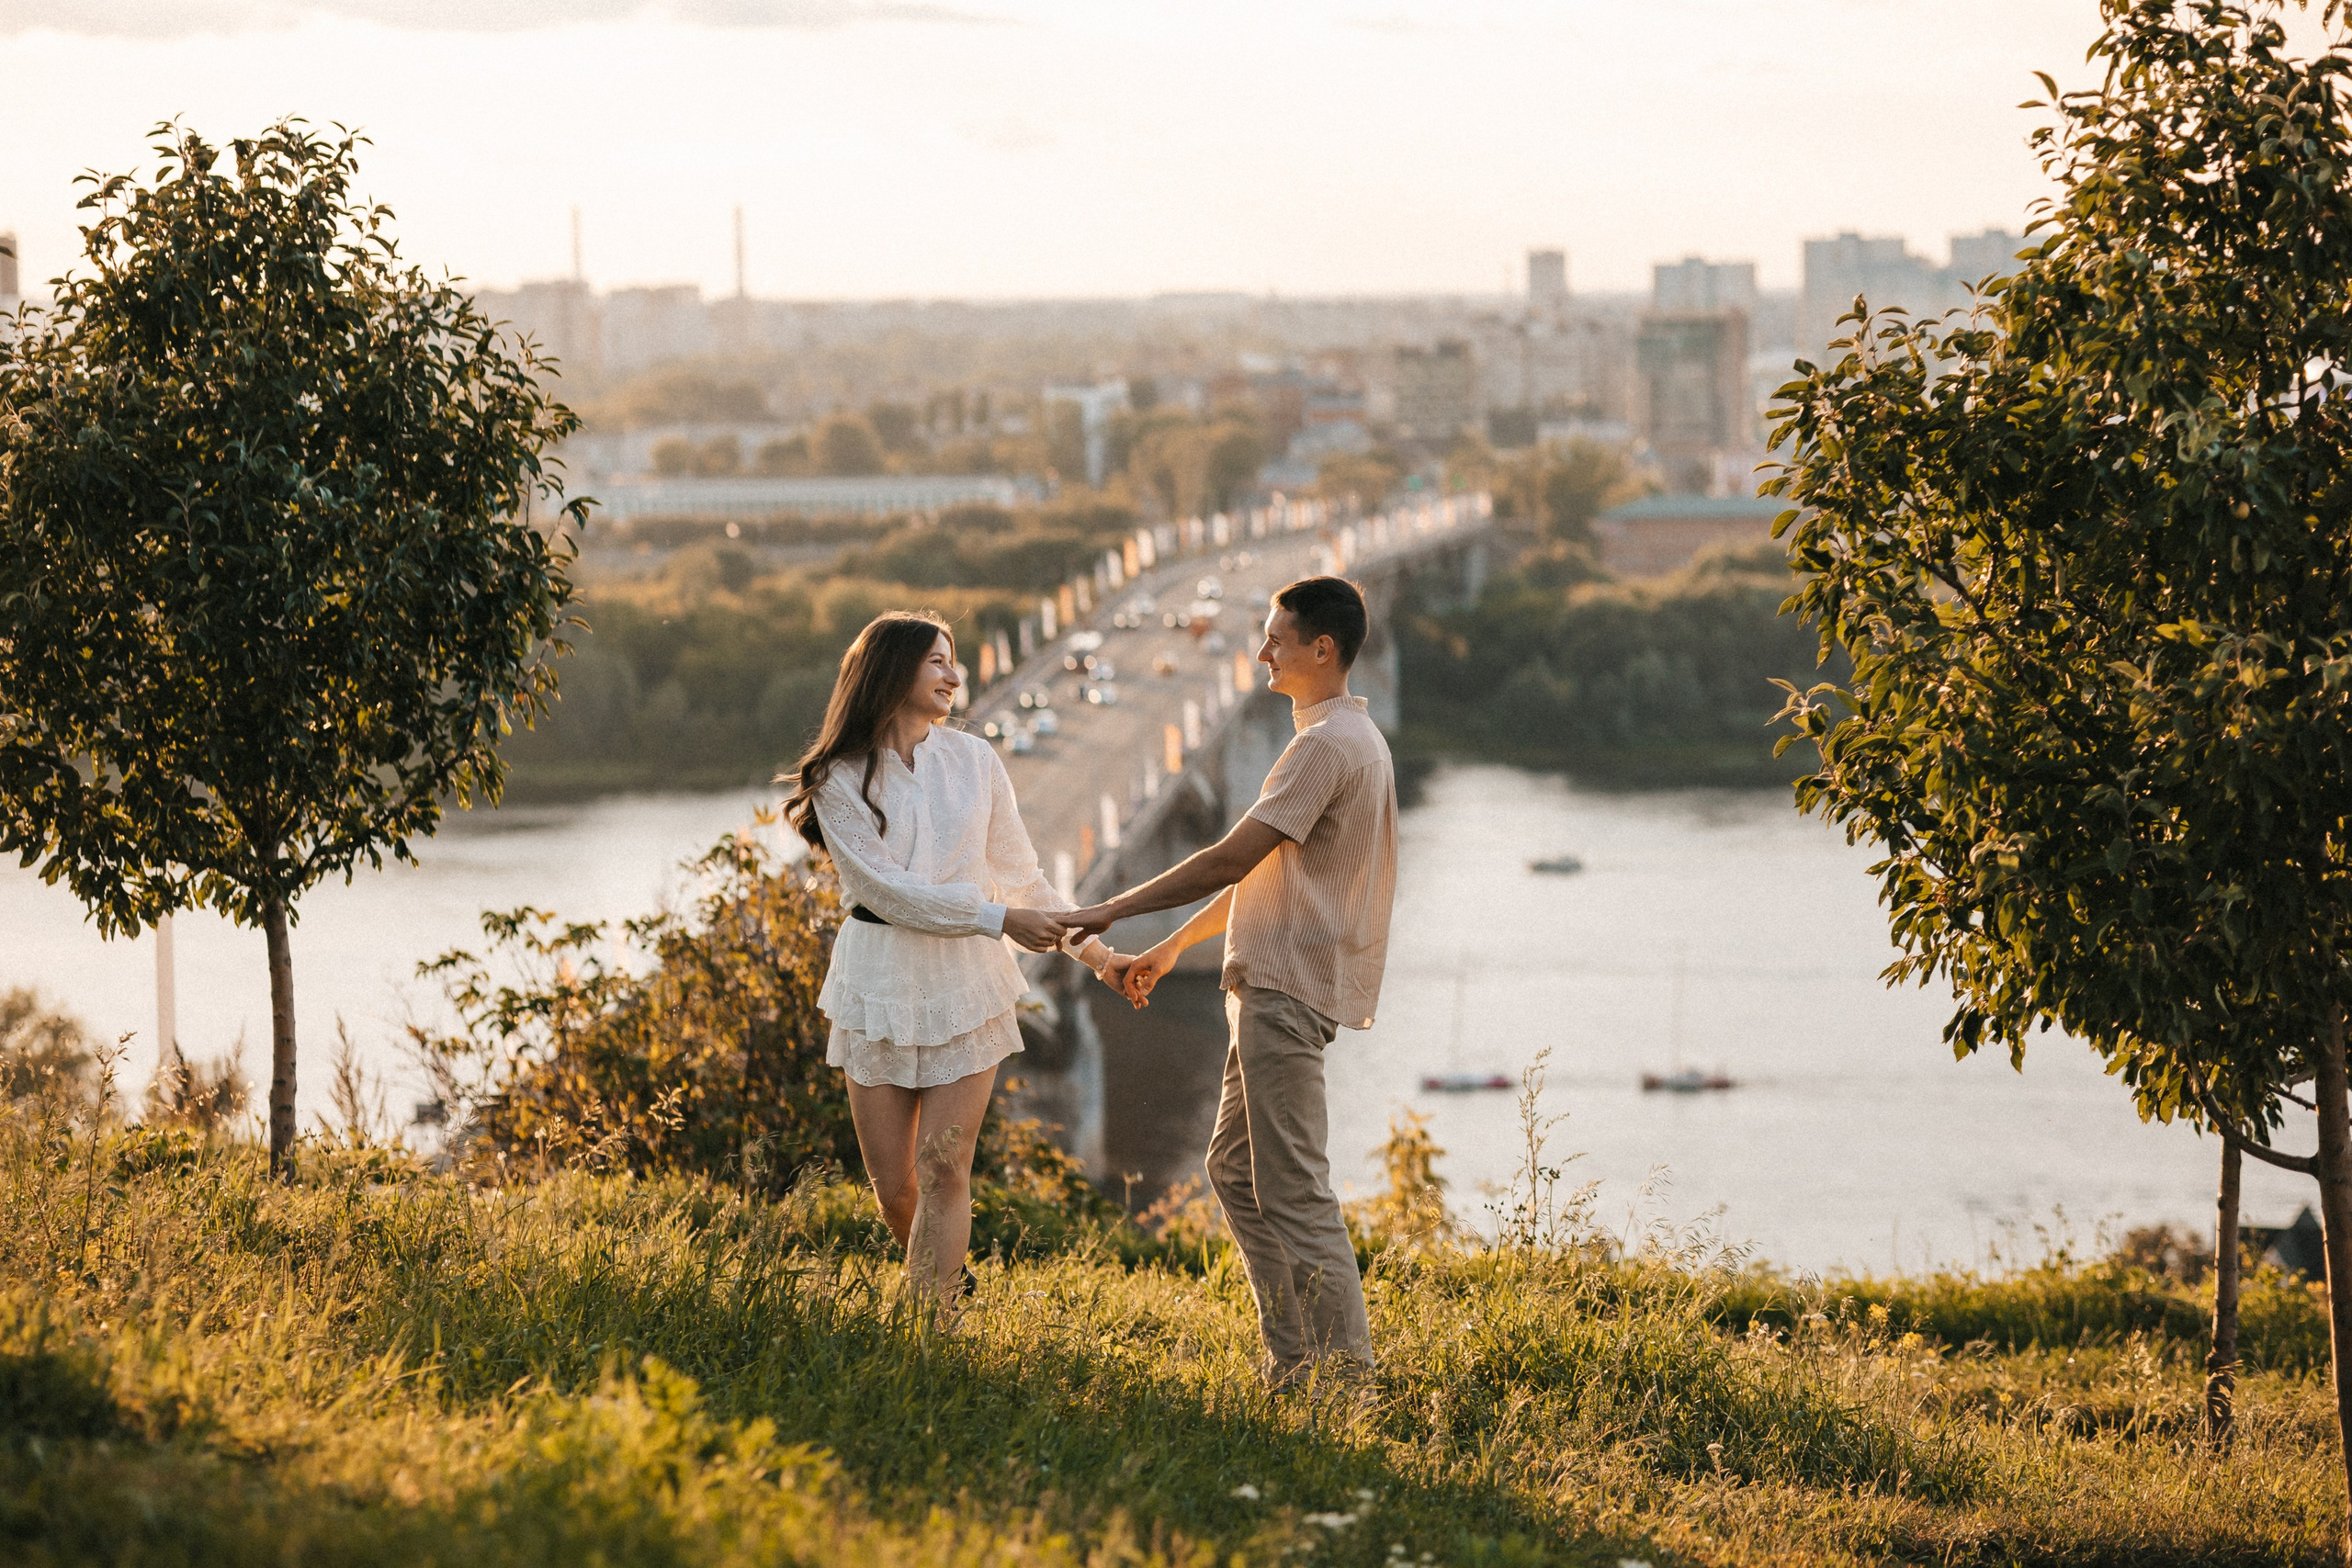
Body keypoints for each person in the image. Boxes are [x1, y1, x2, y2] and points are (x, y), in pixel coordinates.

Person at [1064, 576, 1397, 1390]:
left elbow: (1224, 858)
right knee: (1234, 1170)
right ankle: (1292, 1363)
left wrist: (1113, 908)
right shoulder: (1352, 738)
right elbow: (1263, 875)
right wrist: (1175, 942)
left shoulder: (1321, 748)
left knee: (1295, 1190)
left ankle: (1345, 1383)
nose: (1261, 654)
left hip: (1285, 991)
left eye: (1276, 641)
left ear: (1324, 649)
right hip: (1277, 982)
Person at [784, 611, 1133, 1323]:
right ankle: (950, 1285)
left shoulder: (976, 762)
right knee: (894, 1188)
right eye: (938, 661)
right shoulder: (837, 779)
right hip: (877, 980)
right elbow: (888, 891)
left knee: (946, 1166)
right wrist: (999, 919)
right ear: (891, 669)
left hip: (967, 982)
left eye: (956, 662)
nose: (955, 675)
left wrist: (1096, 955)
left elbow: (1024, 879)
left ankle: (932, 1332)